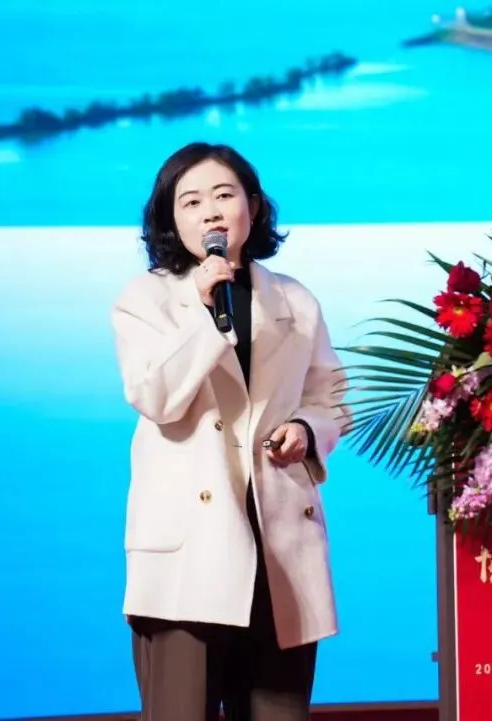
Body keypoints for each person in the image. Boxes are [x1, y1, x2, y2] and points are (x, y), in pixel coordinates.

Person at [110, 142, 350, 721]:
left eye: (224, 195)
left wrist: (306, 428)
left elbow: (332, 397)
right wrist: (201, 311)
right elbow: (155, 396)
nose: (211, 212)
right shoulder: (147, 299)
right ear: (171, 218)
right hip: (187, 554)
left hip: (278, 546)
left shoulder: (295, 300)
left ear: (253, 206)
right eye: (191, 202)